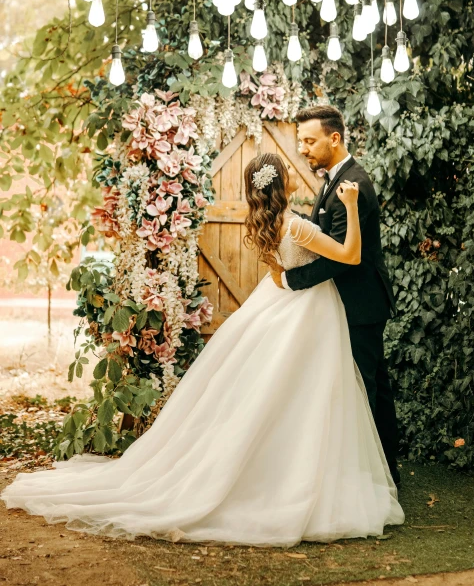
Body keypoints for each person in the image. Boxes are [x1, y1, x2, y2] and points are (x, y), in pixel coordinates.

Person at [1, 152, 404, 547]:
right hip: (309, 313)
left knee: (284, 395)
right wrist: (350, 207)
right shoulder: (297, 226)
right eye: (286, 169)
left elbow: (278, 273)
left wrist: (287, 278)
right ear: (283, 183)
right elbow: (350, 254)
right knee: (309, 396)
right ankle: (302, 478)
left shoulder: (269, 223)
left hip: (285, 306)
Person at [270, 105, 401, 487]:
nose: (304, 149)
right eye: (301, 142)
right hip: (354, 302)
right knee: (373, 387)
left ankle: (375, 480)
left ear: (335, 138)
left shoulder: (354, 184)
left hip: (360, 302)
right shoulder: (334, 178)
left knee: (365, 391)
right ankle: (384, 474)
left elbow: (343, 259)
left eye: (310, 141)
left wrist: (293, 280)